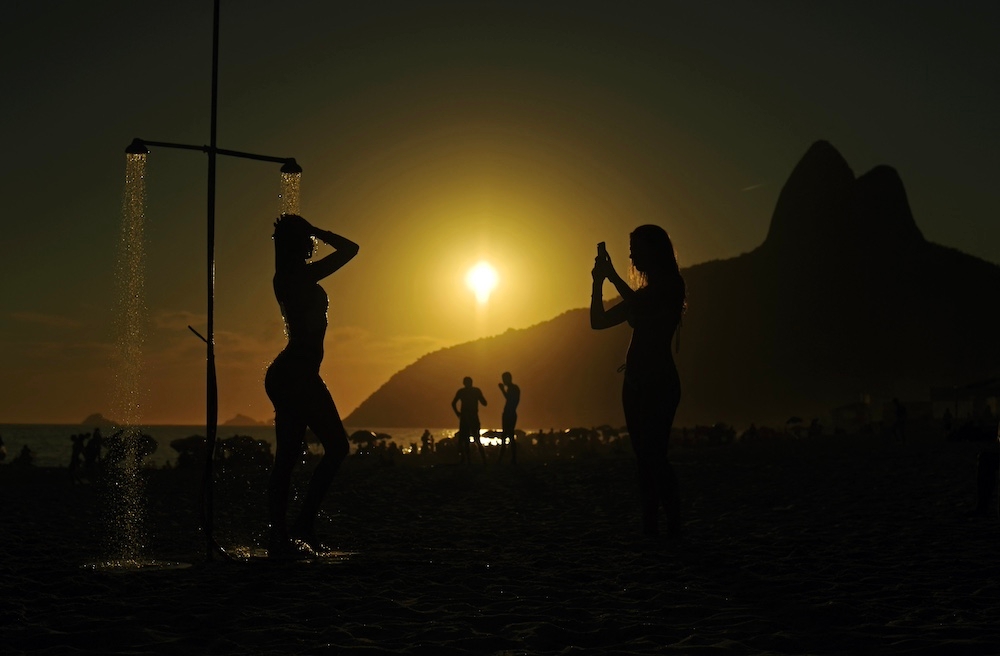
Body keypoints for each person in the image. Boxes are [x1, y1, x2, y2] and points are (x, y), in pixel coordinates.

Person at [265, 214, 359, 557]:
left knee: (294, 456)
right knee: (331, 448)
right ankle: (292, 529)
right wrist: (316, 229)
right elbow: (351, 249)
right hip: (294, 375)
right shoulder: (295, 276)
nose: (312, 244)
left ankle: (288, 532)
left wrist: (308, 230)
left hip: (298, 374)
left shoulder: (289, 275)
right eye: (306, 238)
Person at [590, 225, 686, 538]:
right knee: (643, 460)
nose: (631, 254)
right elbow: (598, 322)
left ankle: (673, 526)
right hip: (634, 382)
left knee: (654, 457)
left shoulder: (672, 286)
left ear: (654, 250)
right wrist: (597, 283)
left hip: (659, 381)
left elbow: (644, 308)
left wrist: (614, 276)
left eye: (636, 248)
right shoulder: (643, 295)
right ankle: (651, 527)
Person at [451, 376, 488, 464]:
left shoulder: (462, 392)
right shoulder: (475, 391)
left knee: (465, 440)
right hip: (472, 417)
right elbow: (485, 403)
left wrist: (458, 413)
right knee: (476, 439)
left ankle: (468, 460)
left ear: (464, 383)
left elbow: (453, 403)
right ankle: (482, 460)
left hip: (465, 417)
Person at [497, 371, 521, 464]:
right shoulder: (513, 388)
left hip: (509, 413)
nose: (503, 381)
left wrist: (502, 390)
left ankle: (507, 458)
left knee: (508, 435)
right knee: (508, 435)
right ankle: (510, 458)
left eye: (504, 379)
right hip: (509, 413)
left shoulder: (513, 388)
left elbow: (509, 399)